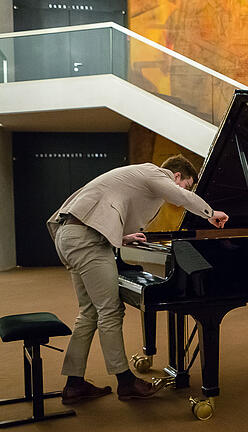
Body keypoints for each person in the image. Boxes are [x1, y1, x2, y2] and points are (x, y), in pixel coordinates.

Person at [46, 155, 229, 404]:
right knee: (111, 311)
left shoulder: (137, 176)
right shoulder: (156, 174)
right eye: (186, 184)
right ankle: (125, 382)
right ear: (176, 176)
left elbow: (103, 209)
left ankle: (74, 383)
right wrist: (210, 213)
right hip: (86, 241)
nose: (183, 191)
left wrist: (122, 237)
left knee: (89, 313)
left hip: (73, 234)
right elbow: (181, 197)